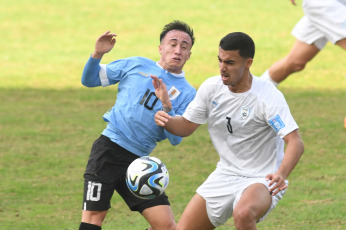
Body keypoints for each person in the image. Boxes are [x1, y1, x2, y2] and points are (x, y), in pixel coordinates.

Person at [152, 32, 304, 230]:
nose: (222, 68)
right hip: (225, 174)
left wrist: (281, 174)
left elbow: (295, 141)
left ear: (248, 63)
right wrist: (167, 117)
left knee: (243, 214)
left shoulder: (267, 97)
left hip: (261, 178)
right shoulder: (211, 88)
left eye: (230, 63)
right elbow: (187, 126)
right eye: (220, 60)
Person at [79, 20, 196, 230]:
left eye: (184, 47)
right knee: (93, 219)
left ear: (189, 54)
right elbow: (89, 80)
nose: (178, 50)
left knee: (166, 226)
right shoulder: (136, 65)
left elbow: (177, 138)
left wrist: (167, 106)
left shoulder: (188, 93)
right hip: (108, 150)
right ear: (161, 48)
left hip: (141, 164)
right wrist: (97, 54)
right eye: (173, 43)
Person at [261, 0, 346, 86]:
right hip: (323, 4)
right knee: (293, 62)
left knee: (295, 63)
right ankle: (254, 92)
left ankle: (254, 91)